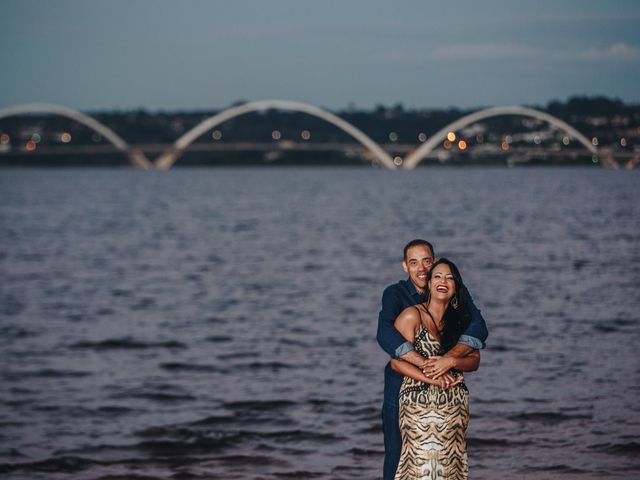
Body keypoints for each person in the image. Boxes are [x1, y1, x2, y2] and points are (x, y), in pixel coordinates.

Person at [376, 240, 488, 480]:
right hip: (402, 391)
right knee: (400, 462)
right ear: (405, 266)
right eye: (414, 262)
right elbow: (385, 333)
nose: (422, 268)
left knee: (448, 466)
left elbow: (478, 327)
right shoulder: (396, 295)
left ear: (435, 261)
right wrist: (427, 365)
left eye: (427, 261)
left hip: (447, 403)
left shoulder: (452, 293)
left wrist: (448, 360)